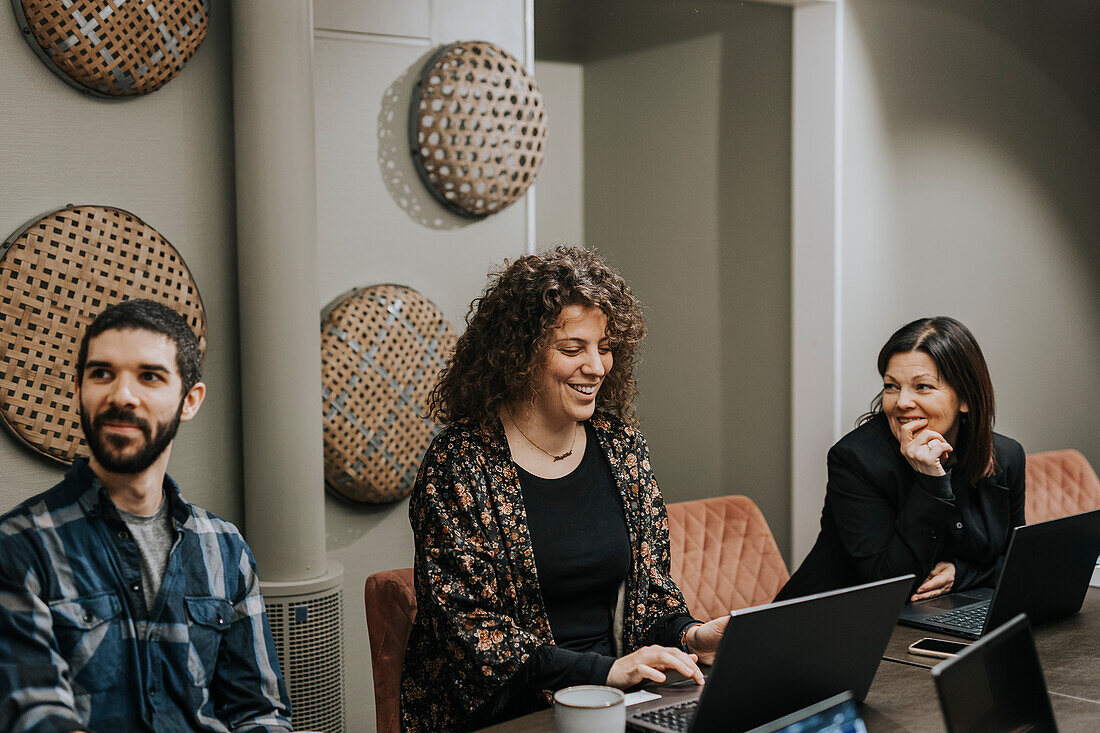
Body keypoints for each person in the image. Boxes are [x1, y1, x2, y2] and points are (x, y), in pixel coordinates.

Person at [400, 246, 728, 730]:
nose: (596, 366)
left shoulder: (620, 445)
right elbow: (472, 632)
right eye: (573, 349)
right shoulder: (461, 461)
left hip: (617, 700)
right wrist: (607, 671)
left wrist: (691, 635)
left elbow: (651, 596)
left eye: (606, 346)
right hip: (506, 712)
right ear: (517, 355)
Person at [0, 299, 292, 732]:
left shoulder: (224, 546)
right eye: (102, 373)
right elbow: (37, 717)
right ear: (78, 388)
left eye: (149, 376)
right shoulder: (19, 545)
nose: (121, 395)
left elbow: (260, 712)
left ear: (189, 401)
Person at [776, 316, 1025, 603]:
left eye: (922, 387)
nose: (902, 402)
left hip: (938, 617)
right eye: (891, 386)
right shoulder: (857, 460)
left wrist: (963, 574)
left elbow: (1018, 559)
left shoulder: (1006, 456)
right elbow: (888, 584)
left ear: (966, 398)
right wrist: (931, 483)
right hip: (832, 624)